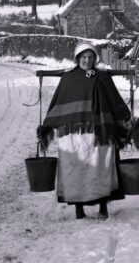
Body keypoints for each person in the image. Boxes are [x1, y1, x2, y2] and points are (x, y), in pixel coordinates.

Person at [37, 41, 133, 220]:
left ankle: (103, 207)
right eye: (83, 57)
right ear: (77, 58)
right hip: (73, 137)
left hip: (99, 134)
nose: (87, 60)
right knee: (76, 170)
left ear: (94, 59)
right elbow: (58, 103)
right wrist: (47, 126)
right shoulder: (68, 78)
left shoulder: (102, 77)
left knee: (101, 168)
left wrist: (126, 121)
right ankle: (78, 209)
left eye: (90, 57)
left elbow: (114, 100)